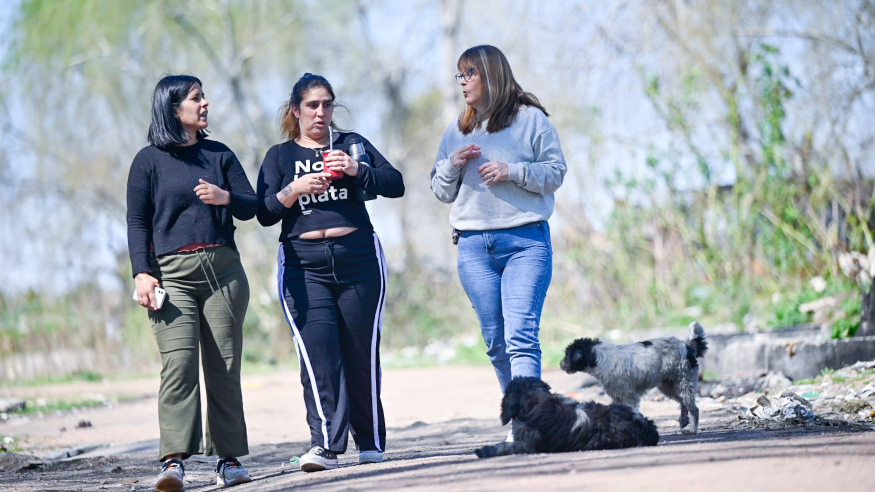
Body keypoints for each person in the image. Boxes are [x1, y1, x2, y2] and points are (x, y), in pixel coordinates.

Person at [256, 73, 404, 472]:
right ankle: (325, 446)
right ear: (296, 111)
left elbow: (396, 184)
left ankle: (370, 441)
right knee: (319, 354)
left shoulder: (352, 144)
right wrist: (295, 189)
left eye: (327, 104)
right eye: (312, 105)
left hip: (358, 257)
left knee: (360, 351)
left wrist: (357, 170)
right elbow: (264, 212)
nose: (321, 113)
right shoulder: (280, 156)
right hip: (304, 266)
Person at [430, 45, 567, 437]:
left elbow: (556, 173)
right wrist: (451, 166)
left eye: (469, 74)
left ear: (491, 75)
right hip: (473, 248)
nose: (462, 82)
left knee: (520, 333)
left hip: (525, 242)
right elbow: (440, 191)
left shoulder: (531, 121)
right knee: (495, 341)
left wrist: (513, 170)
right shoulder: (457, 129)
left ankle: (527, 426)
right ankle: (523, 412)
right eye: (459, 75)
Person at [127, 75, 256, 491]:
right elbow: (137, 222)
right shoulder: (148, 160)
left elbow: (252, 205)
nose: (205, 104)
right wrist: (142, 272)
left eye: (203, 97)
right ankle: (173, 462)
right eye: (196, 98)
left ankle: (228, 460)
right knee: (179, 365)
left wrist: (226, 198)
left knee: (224, 367)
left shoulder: (219, 154)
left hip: (223, 275)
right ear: (172, 107)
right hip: (171, 278)